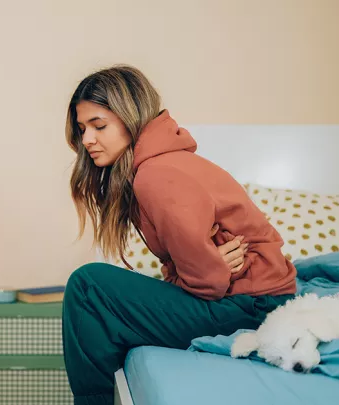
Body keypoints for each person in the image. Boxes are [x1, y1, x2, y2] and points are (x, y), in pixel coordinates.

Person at [62, 65, 297, 405]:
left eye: (99, 126)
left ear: (131, 118)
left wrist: (208, 270)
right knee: (98, 296)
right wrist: (203, 269)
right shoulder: (160, 166)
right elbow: (195, 271)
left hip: (252, 305)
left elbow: (206, 283)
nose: (87, 140)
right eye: (82, 129)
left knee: (88, 288)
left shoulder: (156, 175)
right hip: (254, 298)